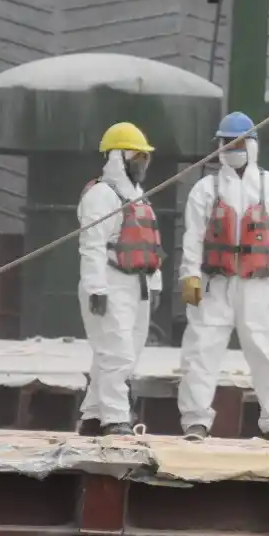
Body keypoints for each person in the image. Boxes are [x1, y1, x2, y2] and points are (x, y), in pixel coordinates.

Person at [176, 111, 269, 444]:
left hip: (258, 283)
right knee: (201, 351)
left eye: (237, 142)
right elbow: (192, 237)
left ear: (252, 145)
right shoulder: (206, 188)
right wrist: (188, 275)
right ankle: (195, 421)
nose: (231, 148)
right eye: (225, 142)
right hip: (214, 283)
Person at [78, 122, 163, 437]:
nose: (143, 163)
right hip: (110, 282)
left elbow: (150, 245)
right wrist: (96, 288)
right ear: (120, 156)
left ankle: (91, 416)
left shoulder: (139, 197)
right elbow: (92, 246)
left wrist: (154, 284)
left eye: (145, 157)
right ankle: (115, 418)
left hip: (137, 284)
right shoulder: (102, 195)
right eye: (137, 156)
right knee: (116, 353)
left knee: (124, 353)